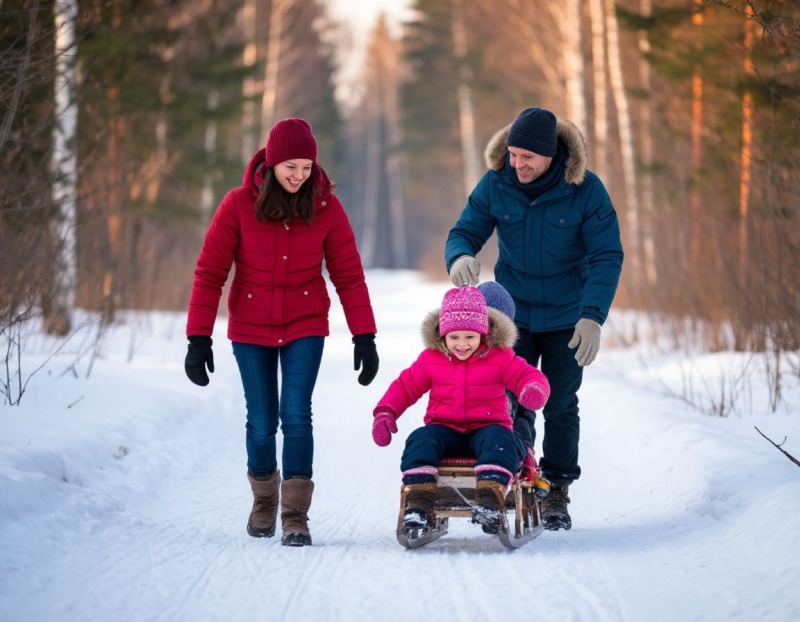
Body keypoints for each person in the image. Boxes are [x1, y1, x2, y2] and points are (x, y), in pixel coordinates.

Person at [184, 118, 380, 547]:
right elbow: (210, 273)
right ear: (271, 164)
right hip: (250, 327)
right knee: (260, 422)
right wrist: (198, 338)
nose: (299, 175)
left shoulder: (327, 207)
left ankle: (295, 515)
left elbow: (348, 274)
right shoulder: (237, 204)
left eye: (307, 167)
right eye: (291, 166)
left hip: (305, 323)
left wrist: (364, 335)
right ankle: (264, 500)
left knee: (296, 414)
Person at [445, 107, 624, 531]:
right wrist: (460, 256)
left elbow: (606, 256)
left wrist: (592, 317)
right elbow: (465, 230)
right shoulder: (497, 182)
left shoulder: (586, 190)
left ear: (550, 156)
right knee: (507, 403)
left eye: (528, 157)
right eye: (513, 155)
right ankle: (508, 475)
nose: (518, 164)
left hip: (567, 318)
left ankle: (557, 489)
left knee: (561, 405)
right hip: (513, 317)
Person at [371, 285, 550, 534]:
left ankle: (490, 502)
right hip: (445, 429)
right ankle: (419, 504)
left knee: (501, 440)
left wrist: (533, 388)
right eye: (454, 337)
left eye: (470, 337)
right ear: (442, 335)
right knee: (421, 439)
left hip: (487, 428)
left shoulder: (499, 356)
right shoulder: (431, 359)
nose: (462, 344)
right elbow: (406, 386)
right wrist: (385, 412)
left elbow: (525, 374)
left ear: (483, 333)